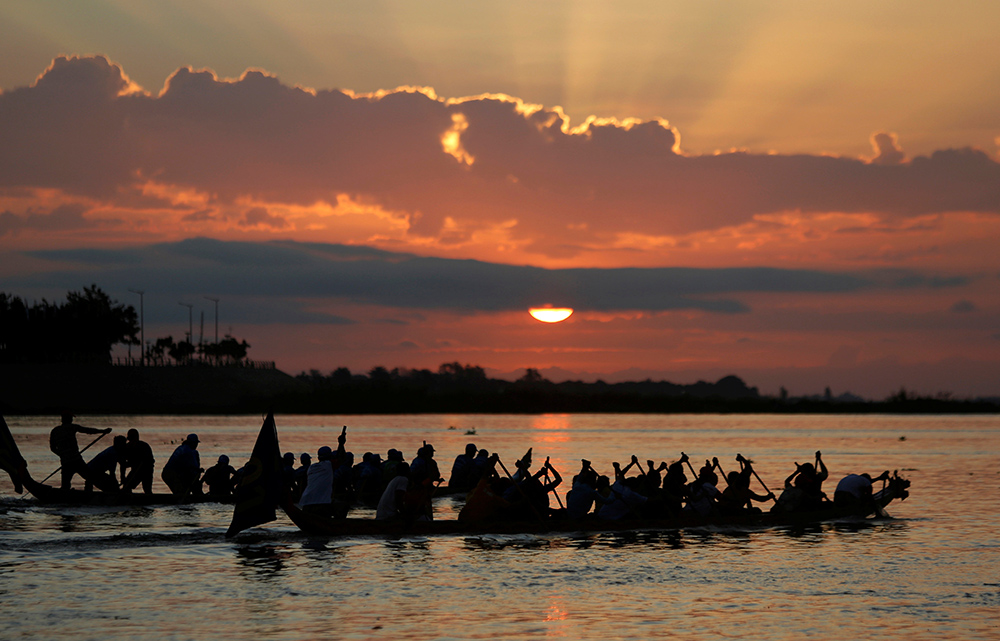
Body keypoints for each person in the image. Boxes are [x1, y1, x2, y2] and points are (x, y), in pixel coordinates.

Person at [49, 413, 111, 490]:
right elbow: (88, 430)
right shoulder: (72, 427)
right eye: (71, 418)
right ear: (69, 419)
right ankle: (89, 494)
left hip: (66, 462)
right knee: (90, 478)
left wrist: (62, 455)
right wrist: (103, 431)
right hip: (76, 461)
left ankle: (70, 494)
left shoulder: (55, 430)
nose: (71, 420)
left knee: (66, 485)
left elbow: (53, 448)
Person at [121, 429, 155, 495]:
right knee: (126, 487)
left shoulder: (144, 446)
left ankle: (150, 500)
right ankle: (128, 499)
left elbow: (149, 461)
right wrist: (122, 477)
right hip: (135, 470)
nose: (132, 441)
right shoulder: (127, 447)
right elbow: (124, 464)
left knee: (147, 489)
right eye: (130, 439)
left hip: (147, 471)